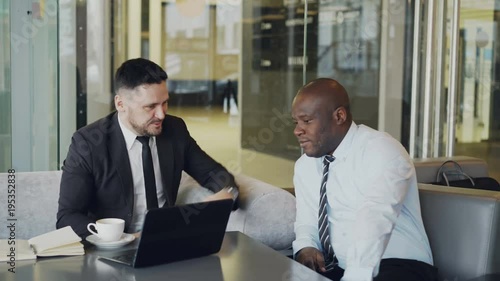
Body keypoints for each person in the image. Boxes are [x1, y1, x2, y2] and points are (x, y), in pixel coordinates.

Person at [57, 58, 239, 238]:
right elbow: (67, 217)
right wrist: (120, 238)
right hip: (112, 248)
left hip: (166, 240)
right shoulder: (88, 143)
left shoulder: (174, 130)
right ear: (120, 104)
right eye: (150, 106)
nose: (161, 114)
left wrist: (227, 193)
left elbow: (212, 173)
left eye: (165, 103)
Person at [291, 78, 437, 281]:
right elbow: (306, 220)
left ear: (339, 116)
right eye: (296, 122)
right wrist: (306, 246)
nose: (297, 130)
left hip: (398, 265)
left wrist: (355, 276)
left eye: (307, 121)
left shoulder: (381, 150)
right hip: (338, 266)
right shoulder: (305, 166)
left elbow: (375, 218)